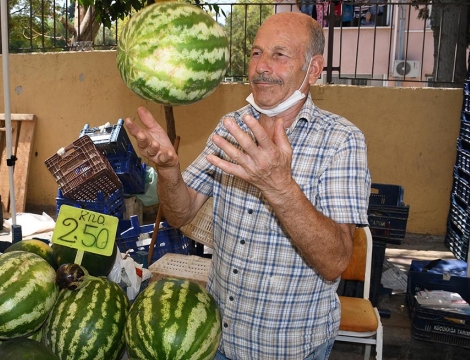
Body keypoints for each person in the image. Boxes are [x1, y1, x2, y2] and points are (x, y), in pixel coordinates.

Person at [124, 12, 370, 360]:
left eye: (279, 55)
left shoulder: (341, 140)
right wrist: (168, 171)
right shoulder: (231, 127)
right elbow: (181, 213)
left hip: (289, 350)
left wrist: (279, 187)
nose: (261, 67)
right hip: (217, 341)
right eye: (256, 53)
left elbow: (335, 262)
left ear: (313, 70)